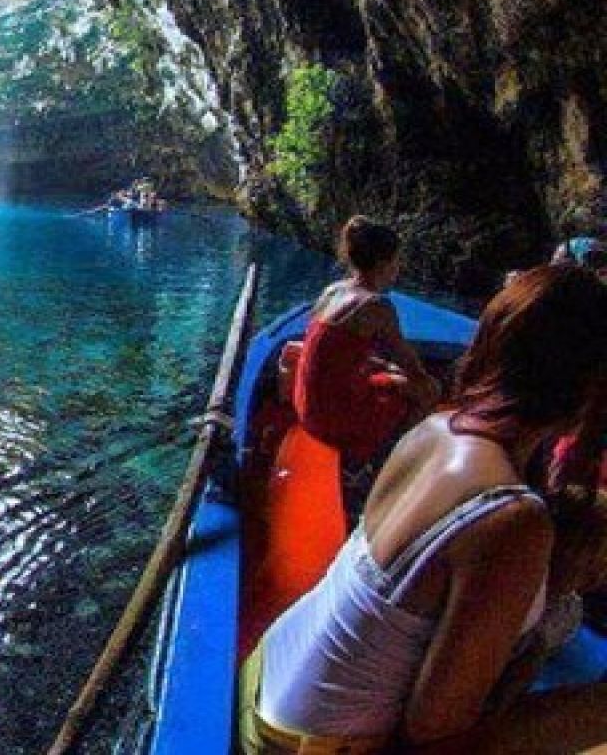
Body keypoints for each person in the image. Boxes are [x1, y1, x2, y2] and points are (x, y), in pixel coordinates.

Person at [243, 266, 607, 754]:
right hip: (303, 745)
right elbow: (436, 734)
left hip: (265, 678)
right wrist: (553, 603)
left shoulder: (435, 430)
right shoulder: (513, 520)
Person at [298, 217, 444, 519]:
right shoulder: (375, 306)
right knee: (427, 391)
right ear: (384, 262)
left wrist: (380, 366)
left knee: (392, 377)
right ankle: (380, 463)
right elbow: (411, 365)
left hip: (306, 406)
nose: (398, 268)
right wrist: (418, 379)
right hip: (332, 415)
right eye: (396, 260)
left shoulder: (333, 291)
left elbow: (330, 352)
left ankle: (370, 458)